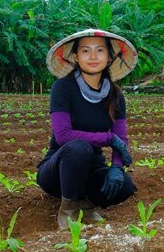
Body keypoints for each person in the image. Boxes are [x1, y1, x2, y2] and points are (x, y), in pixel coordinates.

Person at [37, 28, 138, 228]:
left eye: (100, 50)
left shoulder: (115, 95)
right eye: (85, 51)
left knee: (126, 186)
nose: (93, 56)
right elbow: (63, 136)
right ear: (75, 56)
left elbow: (121, 137)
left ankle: (85, 202)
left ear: (109, 57)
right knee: (78, 147)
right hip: (59, 169)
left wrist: (117, 167)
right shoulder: (63, 88)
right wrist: (107, 139)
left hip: (92, 168)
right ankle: (68, 208)